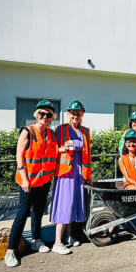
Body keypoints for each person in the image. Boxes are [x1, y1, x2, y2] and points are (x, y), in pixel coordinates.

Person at [5, 100, 58, 267]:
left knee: (38, 212)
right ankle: (11, 250)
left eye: (48, 114)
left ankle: (36, 239)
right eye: (42, 113)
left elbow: (54, 152)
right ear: (37, 115)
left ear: (51, 118)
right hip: (28, 182)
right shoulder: (27, 132)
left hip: (43, 181)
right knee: (22, 214)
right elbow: (19, 156)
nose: (45, 116)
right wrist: (25, 179)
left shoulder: (50, 133)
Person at [51, 99, 91, 254]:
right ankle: (57, 242)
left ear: (82, 114)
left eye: (78, 113)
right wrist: (65, 148)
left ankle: (69, 236)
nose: (76, 116)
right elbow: (54, 149)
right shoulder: (61, 129)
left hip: (79, 172)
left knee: (74, 204)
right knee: (64, 204)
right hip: (65, 173)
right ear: (68, 114)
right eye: (73, 113)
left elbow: (87, 152)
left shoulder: (85, 131)